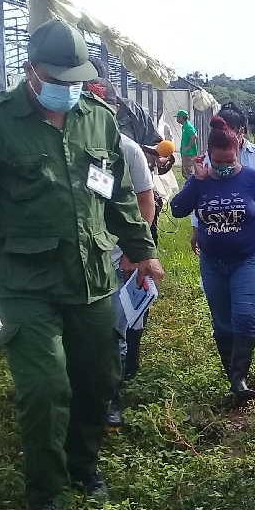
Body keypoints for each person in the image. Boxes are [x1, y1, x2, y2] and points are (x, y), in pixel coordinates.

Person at [0, 20, 163, 510]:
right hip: (26, 282)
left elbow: (119, 195)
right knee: (45, 385)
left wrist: (142, 249)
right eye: (58, 79)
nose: (68, 88)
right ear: (31, 72)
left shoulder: (97, 118)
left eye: (75, 78)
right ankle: (45, 493)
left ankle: (83, 465)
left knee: (97, 377)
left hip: (92, 280)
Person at [170, 116, 255, 404]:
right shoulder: (202, 181)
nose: (225, 167)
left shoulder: (251, 180)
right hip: (213, 262)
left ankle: (240, 377)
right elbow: (177, 209)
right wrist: (195, 180)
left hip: (248, 258)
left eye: (230, 160)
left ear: (238, 153)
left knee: (244, 317)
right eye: (219, 162)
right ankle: (231, 375)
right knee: (222, 323)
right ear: (208, 156)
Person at [105, 133, 157, 427]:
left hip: (115, 255)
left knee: (115, 330)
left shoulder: (127, 150)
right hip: (75, 261)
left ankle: (111, 398)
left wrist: (133, 251)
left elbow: (145, 203)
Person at [189, 103, 255, 256]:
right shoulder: (208, 158)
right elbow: (199, 196)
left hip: (253, 243)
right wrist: (196, 228)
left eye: (231, 132)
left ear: (242, 132)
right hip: (216, 242)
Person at [177, 109, 199, 176]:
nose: (177, 119)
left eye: (178, 117)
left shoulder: (188, 126)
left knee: (189, 173)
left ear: (182, 118)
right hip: (186, 153)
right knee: (185, 173)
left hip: (189, 154)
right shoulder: (184, 126)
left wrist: (188, 147)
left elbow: (194, 136)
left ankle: (192, 186)